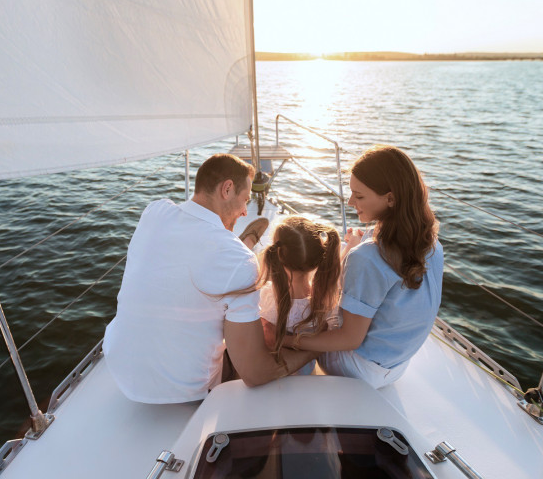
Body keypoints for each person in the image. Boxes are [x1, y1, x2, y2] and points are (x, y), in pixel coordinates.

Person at [103, 153, 315, 403]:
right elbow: (255, 373)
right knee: (247, 334)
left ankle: (245, 242)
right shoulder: (239, 262)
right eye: (245, 199)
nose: (245, 211)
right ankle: (245, 244)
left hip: (118, 366)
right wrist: (311, 350)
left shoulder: (155, 211)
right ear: (227, 189)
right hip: (185, 391)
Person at [279, 145, 443, 389]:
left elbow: (349, 339)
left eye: (360, 195)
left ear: (390, 198)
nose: (350, 201)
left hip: (356, 370)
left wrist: (292, 340)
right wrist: (357, 246)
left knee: (295, 307)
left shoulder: (367, 258)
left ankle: (295, 381)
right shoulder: (430, 242)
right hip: (395, 366)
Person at [258, 216, 342, 375]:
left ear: (277, 255)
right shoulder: (325, 297)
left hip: (277, 375)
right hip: (306, 373)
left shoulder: (267, 297)